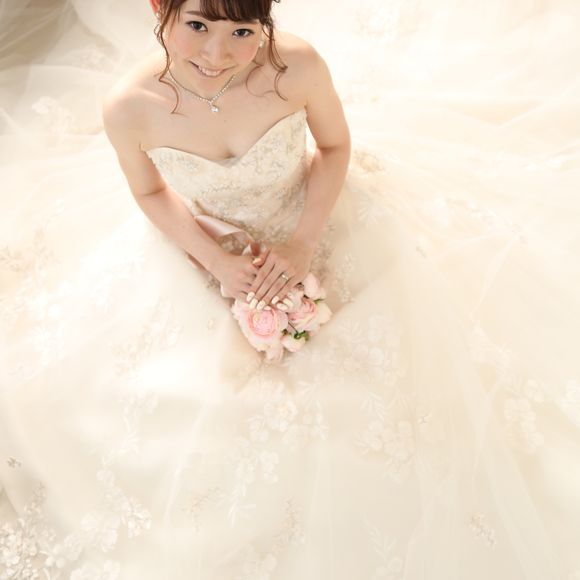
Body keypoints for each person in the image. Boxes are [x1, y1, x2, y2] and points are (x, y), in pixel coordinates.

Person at [1, 0, 580, 578]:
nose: (217, 53)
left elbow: (334, 147)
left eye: (242, 31)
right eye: (197, 25)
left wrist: (304, 240)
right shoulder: (129, 107)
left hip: (310, 217)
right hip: (207, 245)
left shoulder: (295, 67)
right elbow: (151, 193)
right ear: (160, 8)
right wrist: (214, 261)